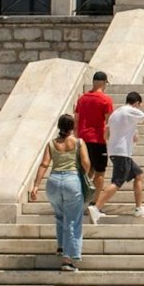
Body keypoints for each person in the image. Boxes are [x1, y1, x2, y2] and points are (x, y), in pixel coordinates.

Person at [29, 114, 89, 272]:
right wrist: (84, 175)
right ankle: (68, 260)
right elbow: (85, 163)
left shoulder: (51, 144)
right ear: (72, 127)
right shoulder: (78, 142)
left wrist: (36, 185)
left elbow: (44, 164)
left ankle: (62, 246)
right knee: (73, 220)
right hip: (72, 180)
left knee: (60, 216)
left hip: (53, 181)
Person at [94, 91, 144, 219]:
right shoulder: (131, 110)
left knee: (139, 175)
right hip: (122, 152)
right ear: (137, 103)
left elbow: (106, 135)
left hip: (116, 151)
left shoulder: (115, 114)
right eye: (139, 105)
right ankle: (96, 207)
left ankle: (139, 208)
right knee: (117, 182)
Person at [74, 71, 113, 224]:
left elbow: (76, 121)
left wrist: (77, 139)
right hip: (97, 140)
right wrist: (108, 139)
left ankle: (79, 198)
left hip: (83, 140)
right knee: (100, 172)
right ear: (104, 83)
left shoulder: (82, 98)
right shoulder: (105, 99)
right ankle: (94, 204)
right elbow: (109, 123)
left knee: (86, 171)